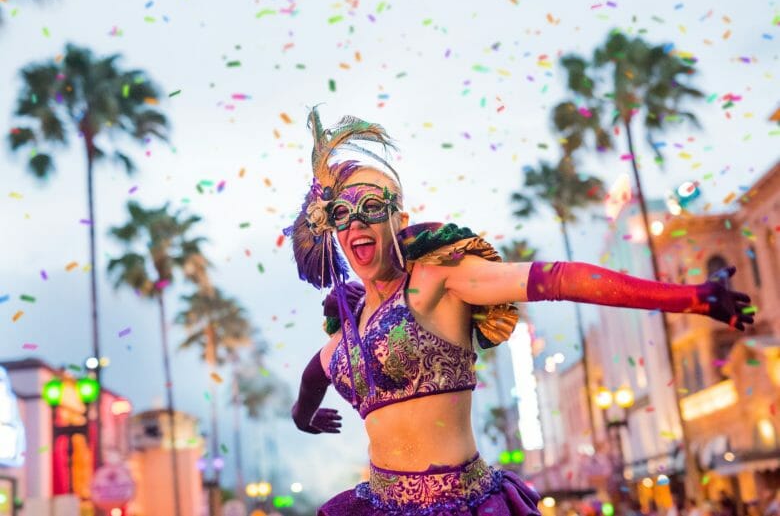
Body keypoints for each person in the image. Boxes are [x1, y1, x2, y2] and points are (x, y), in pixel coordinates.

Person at [287, 108, 756, 515]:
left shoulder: (438, 278)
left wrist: (690, 297)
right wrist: (302, 415)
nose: (356, 223)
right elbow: (314, 377)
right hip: (379, 507)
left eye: (370, 206)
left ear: (399, 219)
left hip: (464, 505)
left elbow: (560, 279)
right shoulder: (348, 329)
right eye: (341, 216)